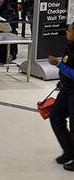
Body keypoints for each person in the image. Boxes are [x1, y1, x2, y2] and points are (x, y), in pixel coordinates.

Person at [48, 23, 74, 172]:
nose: (67, 32)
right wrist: (62, 80)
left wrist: (58, 64)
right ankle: (69, 150)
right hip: (67, 88)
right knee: (56, 116)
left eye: (70, 30)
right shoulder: (70, 47)